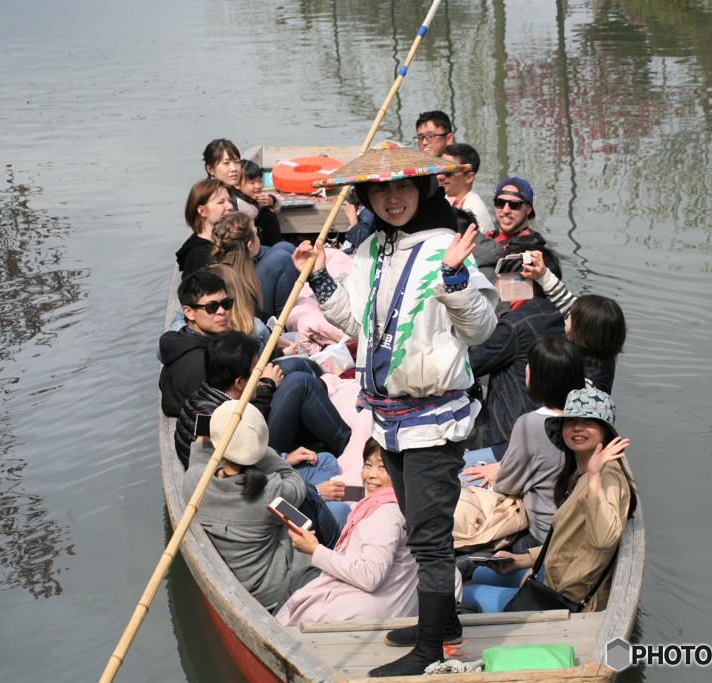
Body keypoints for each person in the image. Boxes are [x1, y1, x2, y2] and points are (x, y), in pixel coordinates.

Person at [291, 146, 497, 677]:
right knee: (415, 525)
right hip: (389, 417)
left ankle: (433, 651)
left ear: (423, 190)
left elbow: (480, 329)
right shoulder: (372, 251)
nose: (393, 198)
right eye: (381, 190)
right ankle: (443, 626)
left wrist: (454, 280)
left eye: (403, 188)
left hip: (434, 419)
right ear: (367, 197)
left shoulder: (446, 247)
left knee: (429, 541)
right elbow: (358, 324)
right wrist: (318, 278)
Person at [465, 388, 637, 613]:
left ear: (605, 431)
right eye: (571, 421)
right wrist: (519, 560)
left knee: (463, 594)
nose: (577, 427)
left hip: (566, 598)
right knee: (479, 573)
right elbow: (567, 542)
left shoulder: (604, 476)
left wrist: (594, 477)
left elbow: (603, 540)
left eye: (588, 421)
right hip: (551, 575)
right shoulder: (580, 470)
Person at [183, 401, 340, 611]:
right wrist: (258, 449)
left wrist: (208, 440)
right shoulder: (270, 491)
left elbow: (198, 460)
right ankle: (337, 558)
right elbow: (295, 483)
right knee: (314, 499)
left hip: (245, 581)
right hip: (278, 588)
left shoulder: (193, 481)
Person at [174, 331, 352, 489]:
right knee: (300, 383)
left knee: (291, 366)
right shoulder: (219, 418)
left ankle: (320, 410)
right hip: (247, 462)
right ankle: (347, 444)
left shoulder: (210, 391)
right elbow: (237, 463)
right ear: (239, 382)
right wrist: (266, 385)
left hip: (244, 443)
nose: (260, 375)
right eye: (255, 372)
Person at [275, 439, 419, 626]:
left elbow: (370, 576)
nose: (371, 475)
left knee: (301, 581)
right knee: (304, 576)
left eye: (383, 467)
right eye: (368, 465)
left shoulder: (385, 514)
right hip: (384, 604)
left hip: (356, 613)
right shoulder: (407, 503)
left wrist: (315, 549)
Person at [462, 336, 586, 552]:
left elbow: (507, 485)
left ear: (537, 378)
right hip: (570, 531)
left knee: (462, 482)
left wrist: (497, 476)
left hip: (539, 536)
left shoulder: (531, 424)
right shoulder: (587, 422)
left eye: (530, 364)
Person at [468, 246, 566, 457]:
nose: (496, 281)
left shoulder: (514, 326)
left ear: (523, 280)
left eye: (503, 274)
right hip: (549, 430)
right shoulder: (561, 315)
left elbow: (469, 365)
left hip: (508, 436)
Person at [520, 250, 627, 394]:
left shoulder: (587, 386)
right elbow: (565, 300)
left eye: (570, 317)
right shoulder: (603, 353)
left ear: (582, 333)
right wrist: (543, 275)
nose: (566, 315)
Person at [158, 271, 233, 417]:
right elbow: (219, 420)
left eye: (226, 304)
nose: (222, 311)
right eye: (212, 307)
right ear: (189, 312)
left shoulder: (191, 341)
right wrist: (265, 387)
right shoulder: (201, 365)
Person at [177, 178, 232, 276]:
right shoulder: (198, 255)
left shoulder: (225, 239)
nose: (230, 206)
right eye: (221, 202)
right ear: (202, 211)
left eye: (229, 200)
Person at [438, 143, 495, 235]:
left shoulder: (473, 210)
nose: (440, 176)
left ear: (469, 177)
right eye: (440, 169)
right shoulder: (446, 196)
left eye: (448, 171)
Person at [489, 177, 546, 251]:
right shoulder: (488, 237)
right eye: (500, 203)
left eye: (514, 205)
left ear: (528, 209)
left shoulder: (531, 253)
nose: (506, 210)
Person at [238, 159, 283, 246]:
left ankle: (276, 247)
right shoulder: (239, 203)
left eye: (260, 181)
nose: (258, 186)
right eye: (252, 183)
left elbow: (277, 206)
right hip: (247, 243)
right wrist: (261, 207)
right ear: (237, 184)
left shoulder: (253, 197)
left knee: (268, 214)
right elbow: (250, 214)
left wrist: (272, 201)